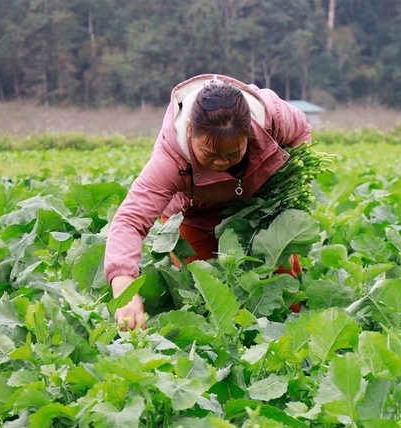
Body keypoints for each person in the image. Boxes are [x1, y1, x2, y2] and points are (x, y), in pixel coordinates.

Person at [104, 74, 311, 330]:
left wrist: (292, 188)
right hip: (195, 216)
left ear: (249, 133)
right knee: (207, 302)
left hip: (259, 208)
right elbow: (130, 220)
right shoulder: (170, 159)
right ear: (190, 129)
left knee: (281, 296)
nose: (221, 162)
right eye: (209, 153)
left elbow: (301, 130)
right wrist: (124, 287)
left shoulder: (272, 117)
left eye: (233, 153)